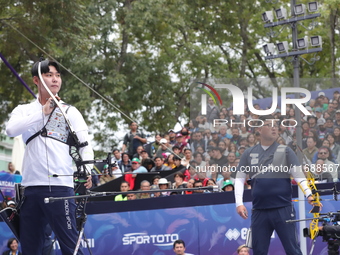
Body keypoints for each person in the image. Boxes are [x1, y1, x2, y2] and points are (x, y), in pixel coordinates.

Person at [6, 59, 93, 254]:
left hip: (61, 188)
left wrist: (86, 170)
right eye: (48, 75)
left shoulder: (71, 111)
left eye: (57, 75)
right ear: (37, 80)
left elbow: (85, 146)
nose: (54, 79)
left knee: (71, 246)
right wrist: (42, 112)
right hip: (30, 190)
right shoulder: (24, 110)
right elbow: (10, 130)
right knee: (31, 248)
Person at [234, 115, 314, 255]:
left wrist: (309, 193)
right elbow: (239, 179)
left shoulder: (286, 151)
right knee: (259, 251)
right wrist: (238, 203)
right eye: (269, 124)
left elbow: (298, 175)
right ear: (259, 129)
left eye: (275, 125)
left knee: (292, 250)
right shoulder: (248, 153)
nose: (274, 127)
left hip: (283, 208)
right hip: (259, 210)